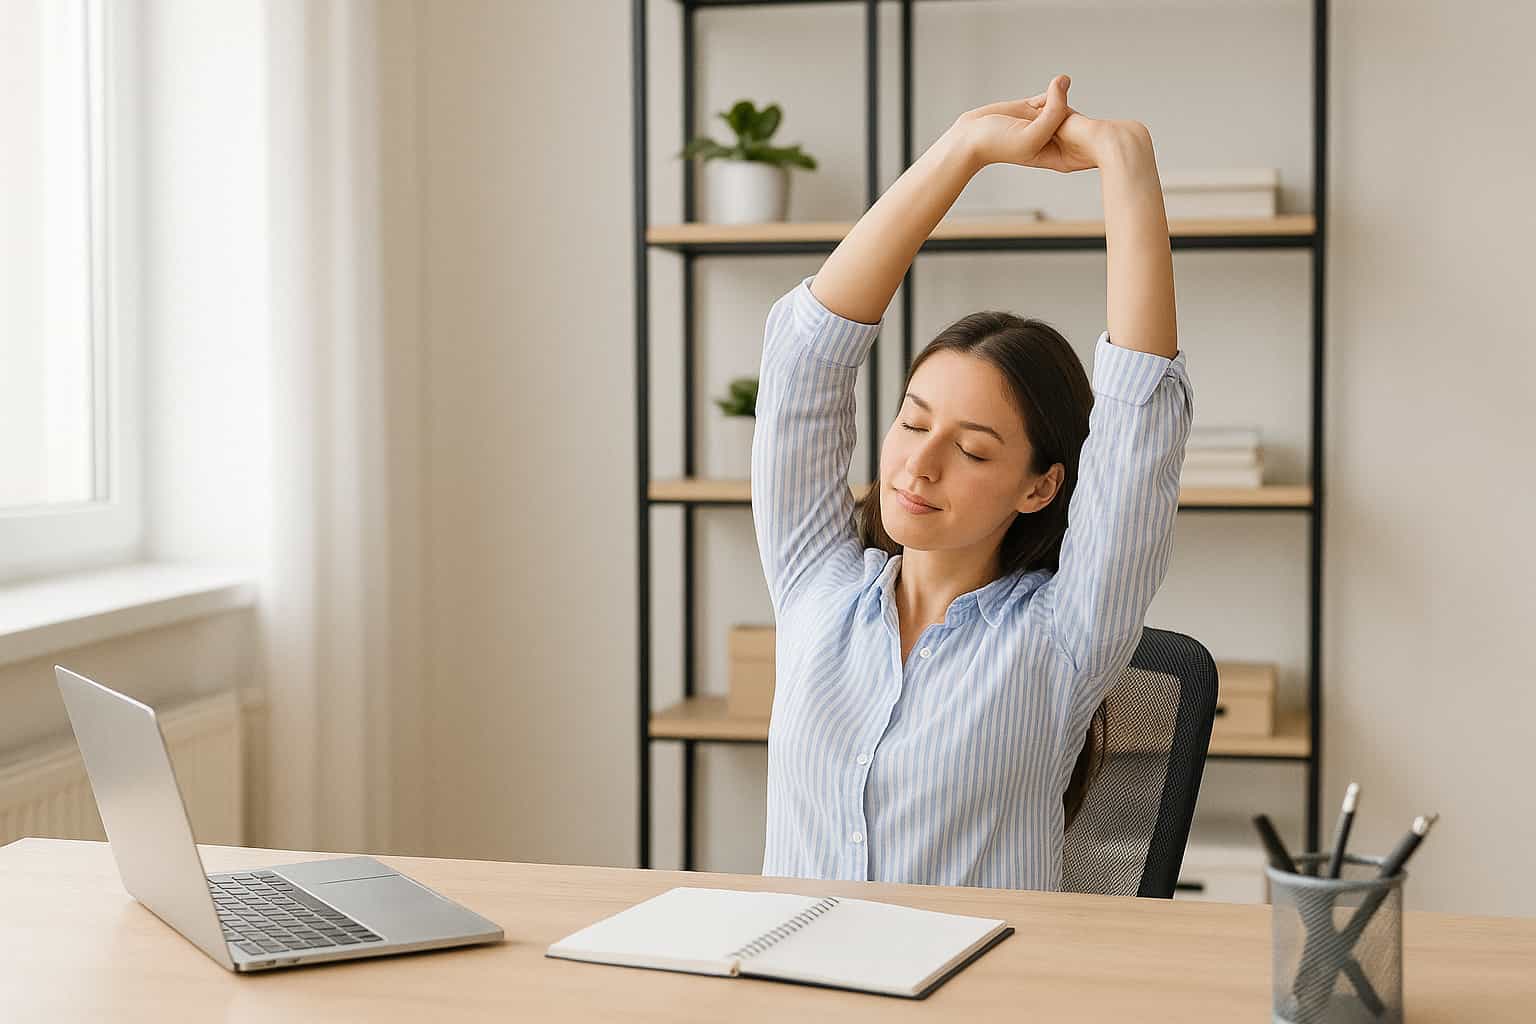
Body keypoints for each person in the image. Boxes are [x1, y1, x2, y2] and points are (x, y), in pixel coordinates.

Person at [751, 74, 1193, 891]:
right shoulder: (818, 585)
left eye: (974, 450)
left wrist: (1125, 165)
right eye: (914, 422)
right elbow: (806, 356)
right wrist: (963, 148)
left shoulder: (1065, 635)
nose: (918, 465)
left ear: (1039, 486)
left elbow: (1138, 427)